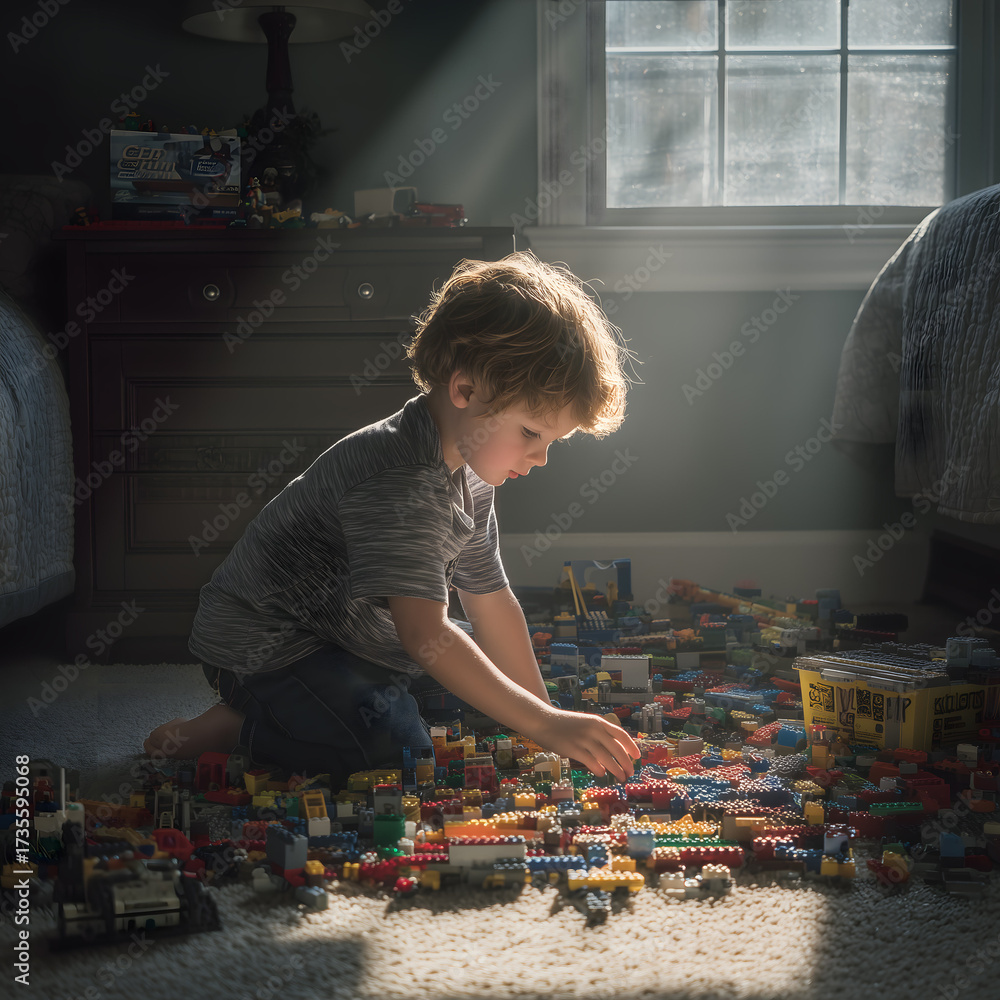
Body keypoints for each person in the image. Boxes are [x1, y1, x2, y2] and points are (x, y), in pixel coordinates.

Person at [144, 250, 641, 785]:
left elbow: (490, 600)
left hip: (360, 642)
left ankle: (317, 711)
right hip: (271, 646)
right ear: (466, 390)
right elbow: (424, 631)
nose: (540, 457)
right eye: (532, 433)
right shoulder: (402, 480)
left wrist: (544, 719)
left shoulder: (471, 470)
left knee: (479, 701)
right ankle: (235, 729)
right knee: (392, 750)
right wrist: (543, 722)